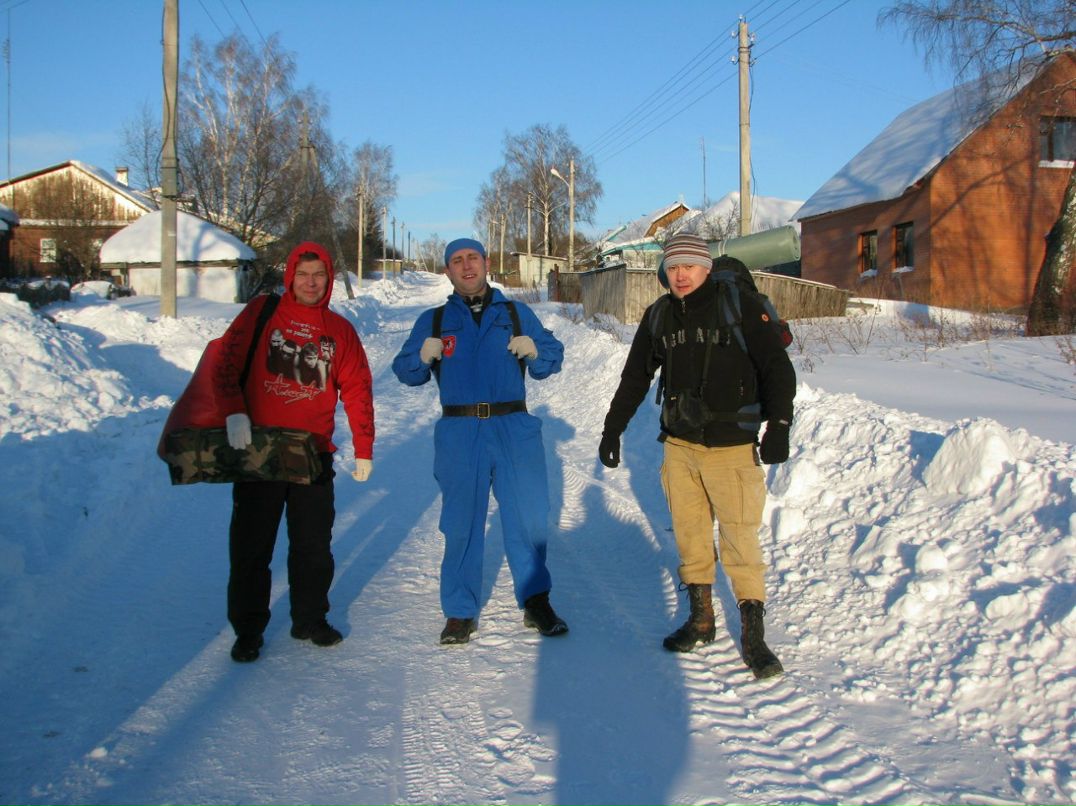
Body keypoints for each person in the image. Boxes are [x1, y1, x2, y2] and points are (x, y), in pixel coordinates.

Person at [597, 233, 795, 679]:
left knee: (740, 539)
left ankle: (753, 635)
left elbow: (776, 368)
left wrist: (779, 425)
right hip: (681, 446)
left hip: (732, 448)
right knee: (690, 534)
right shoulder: (660, 315)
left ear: (706, 267)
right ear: (663, 272)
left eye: (689, 265)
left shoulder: (739, 306)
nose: (681, 274)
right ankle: (701, 619)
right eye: (673, 266)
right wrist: (613, 429)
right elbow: (635, 378)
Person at [392, 237, 568, 645]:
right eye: (457, 260)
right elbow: (405, 371)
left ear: (487, 263)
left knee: (528, 516)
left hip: (512, 425)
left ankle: (535, 600)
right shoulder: (434, 321)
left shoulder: (516, 313)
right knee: (461, 523)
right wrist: (421, 357)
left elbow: (551, 358)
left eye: (473, 258)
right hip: (459, 432)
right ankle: (459, 610)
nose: (467, 266)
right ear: (448, 271)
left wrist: (535, 352)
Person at [216, 241, 375, 663]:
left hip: (312, 452)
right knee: (252, 547)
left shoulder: (339, 330)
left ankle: (310, 619)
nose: (310, 282)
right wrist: (233, 412)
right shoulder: (261, 314)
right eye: (302, 274)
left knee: (312, 545)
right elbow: (225, 364)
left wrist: (364, 447)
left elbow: (357, 389)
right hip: (259, 449)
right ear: (290, 276)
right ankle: (248, 629)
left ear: (329, 279)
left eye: (318, 275)